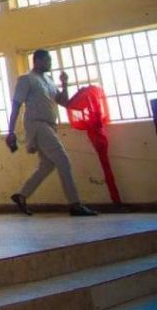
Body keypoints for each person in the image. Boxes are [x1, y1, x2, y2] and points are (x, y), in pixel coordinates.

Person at [7, 49, 98, 217]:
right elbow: (16, 105)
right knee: (63, 159)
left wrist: (64, 84)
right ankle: (75, 204)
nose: (50, 64)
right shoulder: (27, 79)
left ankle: (21, 195)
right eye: (48, 61)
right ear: (38, 60)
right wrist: (10, 131)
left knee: (47, 165)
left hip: (49, 125)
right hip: (37, 125)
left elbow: (64, 101)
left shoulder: (48, 80)